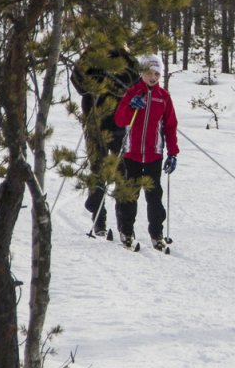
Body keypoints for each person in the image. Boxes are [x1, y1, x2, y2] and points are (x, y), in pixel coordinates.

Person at [113, 53, 180, 251]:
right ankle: (126, 231)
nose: (153, 77)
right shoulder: (132, 93)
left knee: (154, 197)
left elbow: (170, 126)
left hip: (153, 155)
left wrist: (173, 153)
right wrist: (130, 106)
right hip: (131, 153)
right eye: (149, 73)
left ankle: (157, 234)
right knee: (130, 195)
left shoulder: (163, 97)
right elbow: (120, 120)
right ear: (142, 73)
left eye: (157, 74)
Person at [71, 45, 136, 236]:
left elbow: (133, 81)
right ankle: (98, 219)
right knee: (97, 168)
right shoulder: (91, 53)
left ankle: (123, 224)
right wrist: (96, 81)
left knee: (121, 171)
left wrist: (115, 81)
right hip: (94, 121)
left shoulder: (124, 55)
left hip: (118, 122)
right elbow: (77, 81)